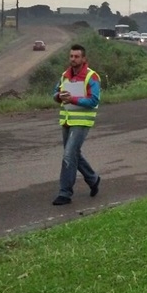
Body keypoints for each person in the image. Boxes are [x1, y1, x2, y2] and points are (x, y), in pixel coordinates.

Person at [51, 44, 102, 205]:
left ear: (84, 59)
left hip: (82, 121)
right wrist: (59, 96)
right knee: (73, 154)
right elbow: (54, 93)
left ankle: (65, 193)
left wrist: (72, 99)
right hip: (66, 119)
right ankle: (93, 179)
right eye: (71, 56)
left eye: (77, 56)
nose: (73, 59)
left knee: (68, 155)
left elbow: (94, 100)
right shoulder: (65, 75)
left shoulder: (92, 77)